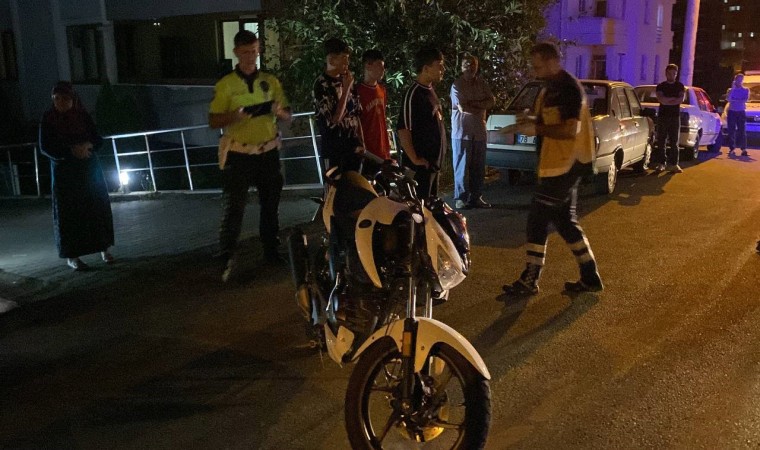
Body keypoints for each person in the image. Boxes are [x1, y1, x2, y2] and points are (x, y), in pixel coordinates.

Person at [500, 42, 603, 296]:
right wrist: (527, 121)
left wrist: (535, 128)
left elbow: (569, 130)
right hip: (557, 165)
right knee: (565, 222)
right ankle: (590, 276)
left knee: (537, 220)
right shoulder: (550, 87)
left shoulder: (568, 89)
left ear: (551, 62)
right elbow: (547, 120)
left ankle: (530, 279)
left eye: (537, 66)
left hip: (565, 166)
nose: (534, 71)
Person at [209, 30, 292, 282]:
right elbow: (213, 120)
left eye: (254, 51)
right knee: (234, 206)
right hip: (239, 152)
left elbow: (288, 114)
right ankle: (226, 255)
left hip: (267, 151)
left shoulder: (270, 81)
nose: (250, 57)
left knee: (270, 204)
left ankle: (271, 250)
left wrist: (278, 111)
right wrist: (235, 116)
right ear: (236, 52)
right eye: (245, 52)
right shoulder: (226, 84)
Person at [38, 81, 114, 271]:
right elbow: (45, 147)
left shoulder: (82, 116)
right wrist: (70, 151)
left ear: (73, 99)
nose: (60, 102)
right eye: (56, 99)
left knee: (96, 208)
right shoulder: (49, 119)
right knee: (70, 214)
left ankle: (104, 248)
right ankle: (73, 256)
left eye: (65, 98)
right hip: (65, 174)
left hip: (89, 170)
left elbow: (97, 139)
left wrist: (88, 146)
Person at [397, 45, 447, 199]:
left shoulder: (430, 90)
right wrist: (415, 159)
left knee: (431, 206)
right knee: (419, 206)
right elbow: (403, 129)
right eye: (439, 65)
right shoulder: (413, 94)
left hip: (432, 165)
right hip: (420, 168)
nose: (443, 69)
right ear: (425, 68)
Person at [450, 54, 495, 209]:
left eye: (473, 64)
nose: (470, 67)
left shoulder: (482, 83)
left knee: (478, 168)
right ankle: (460, 198)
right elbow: (463, 108)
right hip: (462, 133)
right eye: (466, 64)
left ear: (477, 66)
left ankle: (476, 197)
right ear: (461, 67)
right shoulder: (457, 85)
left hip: (479, 132)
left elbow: (491, 101)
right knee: (461, 168)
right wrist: (480, 105)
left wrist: (473, 104)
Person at [313, 38, 364, 172]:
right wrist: (346, 90)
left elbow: (356, 114)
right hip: (335, 149)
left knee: (355, 183)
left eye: (348, 58)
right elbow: (335, 120)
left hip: (354, 146)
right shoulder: (322, 84)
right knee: (336, 183)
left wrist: (362, 142)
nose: (347, 63)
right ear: (331, 59)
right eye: (343, 58)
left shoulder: (347, 80)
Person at [356, 48, 392, 172]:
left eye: (383, 67)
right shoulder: (357, 92)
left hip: (383, 149)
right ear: (368, 65)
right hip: (368, 151)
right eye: (379, 66)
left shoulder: (382, 90)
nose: (382, 70)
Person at [652, 63, 686, 173]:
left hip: (675, 117)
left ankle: (674, 164)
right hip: (663, 116)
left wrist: (668, 100)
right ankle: (661, 163)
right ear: (666, 73)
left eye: (674, 73)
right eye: (669, 73)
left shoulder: (680, 86)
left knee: (674, 141)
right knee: (661, 141)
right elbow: (662, 100)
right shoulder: (661, 86)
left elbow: (680, 99)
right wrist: (672, 100)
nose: (671, 75)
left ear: (676, 74)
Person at [725, 72, 749, 157]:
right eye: (738, 80)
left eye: (741, 80)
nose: (739, 82)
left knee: (742, 130)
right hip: (732, 111)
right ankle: (732, 148)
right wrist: (733, 89)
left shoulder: (745, 90)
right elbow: (728, 99)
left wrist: (735, 99)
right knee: (731, 130)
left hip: (741, 111)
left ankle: (744, 149)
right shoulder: (730, 90)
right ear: (735, 80)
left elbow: (745, 100)